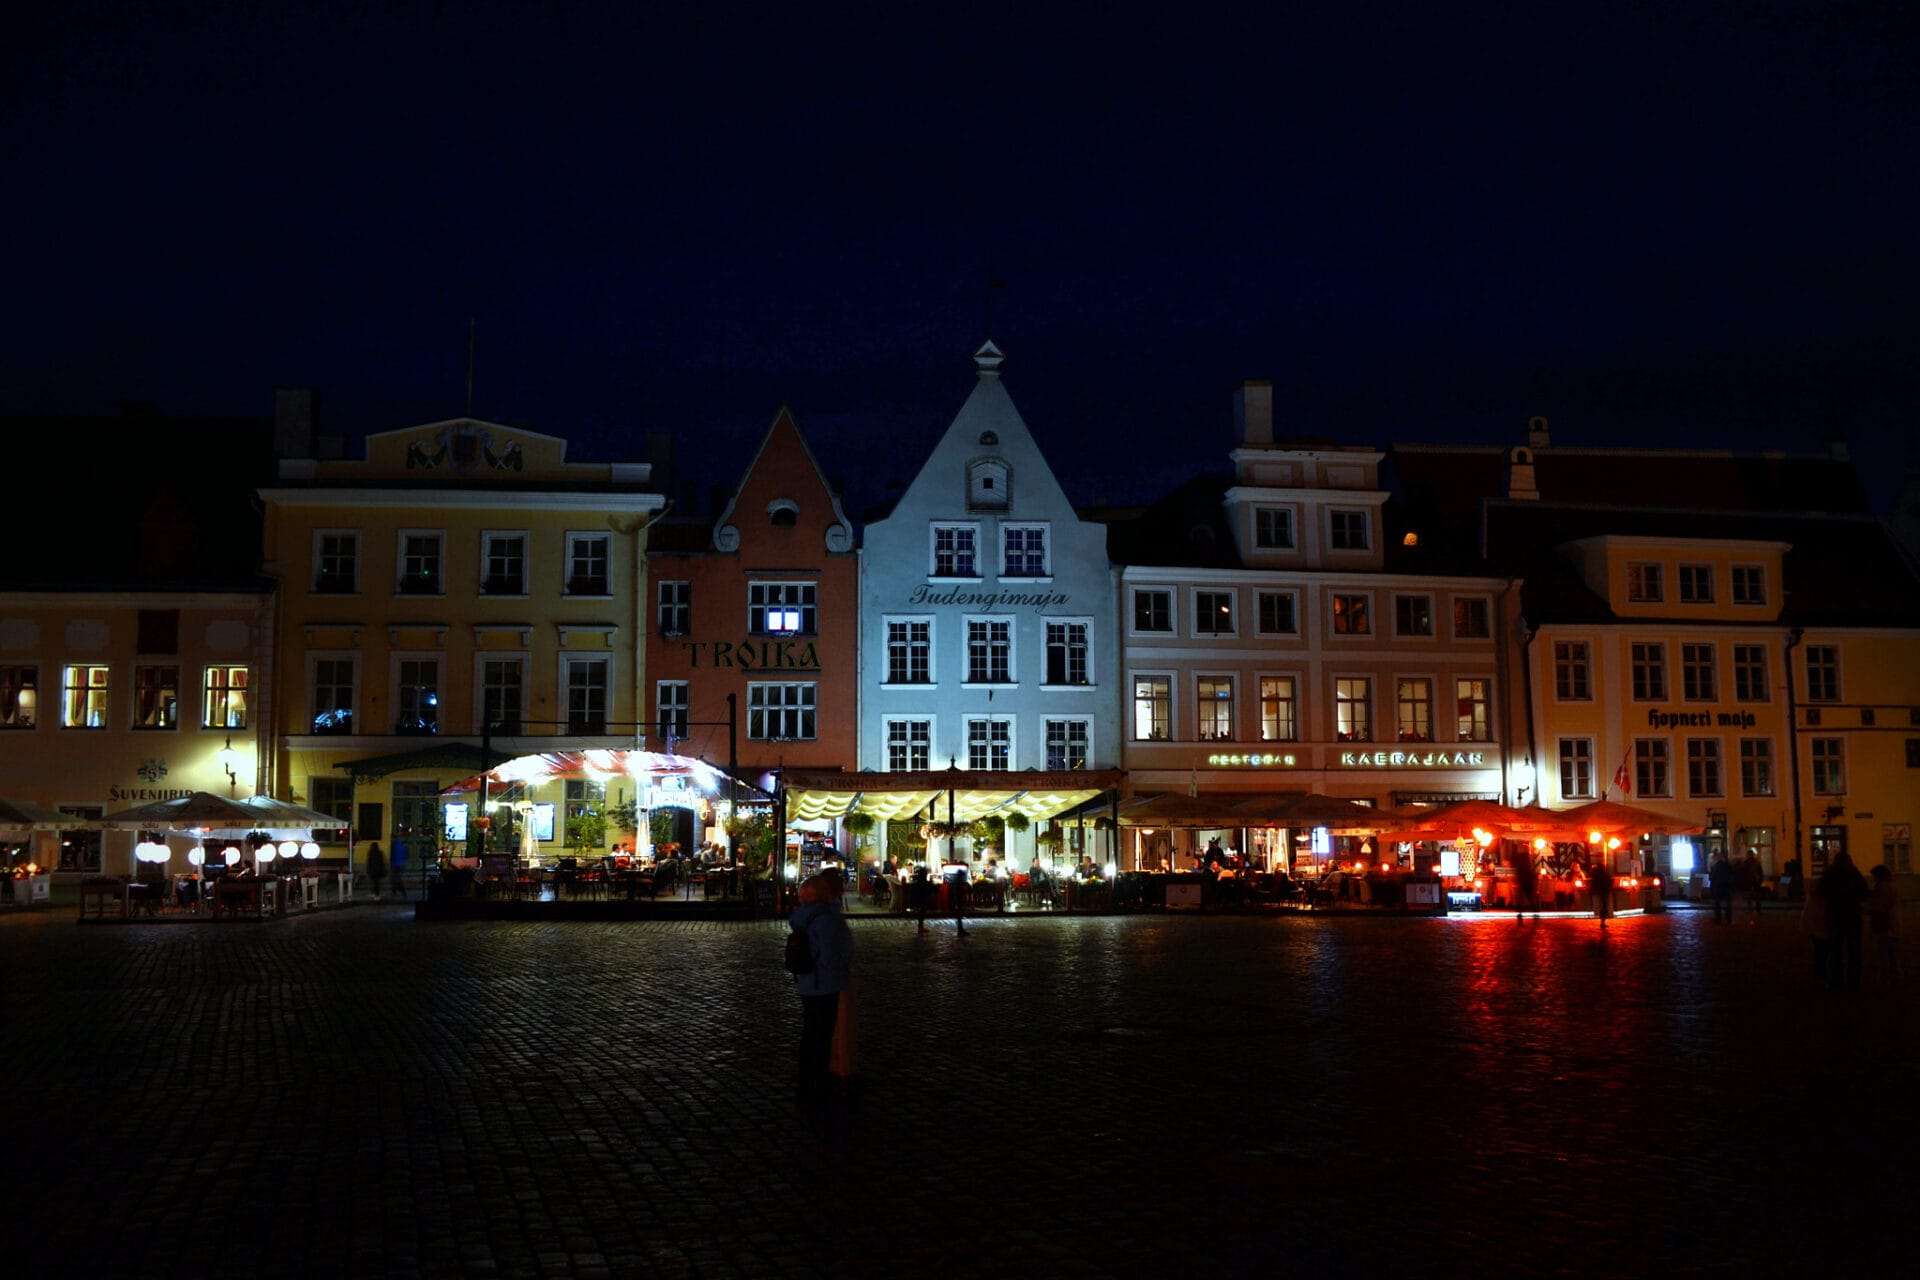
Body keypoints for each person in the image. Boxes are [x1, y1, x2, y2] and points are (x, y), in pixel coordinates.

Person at [789, 874, 853, 1103]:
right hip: (826, 982)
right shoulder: (826, 919)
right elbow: (834, 952)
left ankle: (807, 1078)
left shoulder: (802, 918)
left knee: (810, 1031)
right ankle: (817, 1081)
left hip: (807, 983)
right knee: (822, 1034)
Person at [1820, 851, 1869, 991]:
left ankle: (1836, 982)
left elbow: (1821, 893)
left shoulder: (1830, 874)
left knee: (1835, 951)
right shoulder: (1855, 874)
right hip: (1853, 917)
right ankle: (1854, 982)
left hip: (1835, 916)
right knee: (1854, 952)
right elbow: (1864, 893)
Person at [1867, 863, 1899, 987]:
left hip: (1885, 924)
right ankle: (1893, 976)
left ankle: (1887, 978)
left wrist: (1868, 909)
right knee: (1891, 953)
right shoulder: (1889, 886)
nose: (1873, 878)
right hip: (1890, 924)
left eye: (1874, 876)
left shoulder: (1883, 888)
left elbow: (1880, 907)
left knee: (1885, 953)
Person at [1801, 879, 1830, 986]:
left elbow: (1807, 916)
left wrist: (1806, 929)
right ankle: (1824, 975)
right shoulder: (1828, 900)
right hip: (1826, 930)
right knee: (1826, 954)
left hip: (1816, 931)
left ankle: (1820, 975)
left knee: (1819, 954)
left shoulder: (1812, 899)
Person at [1709, 849, 1735, 925]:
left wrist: (1712, 887)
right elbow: (1732, 875)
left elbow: (1712, 878)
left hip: (1718, 887)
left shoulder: (1716, 866)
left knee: (1717, 904)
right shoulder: (1727, 865)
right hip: (1727, 887)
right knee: (1728, 904)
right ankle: (1728, 919)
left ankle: (1718, 919)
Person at [1588, 856, 1614, 927]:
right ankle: (1602, 921)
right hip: (1604, 892)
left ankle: (1602, 920)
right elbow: (1609, 881)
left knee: (1599, 906)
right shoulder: (1604, 874)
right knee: (1603, 906)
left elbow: (1593, 883)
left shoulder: (1595, 875)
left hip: (1598, 892)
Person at [1740, 848, 1765, 919]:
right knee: (1753, 896)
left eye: (1749, 854)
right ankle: (1755, 909)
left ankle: (1752, 909)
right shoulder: (1753, 862)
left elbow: (1760, 872)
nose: (1749, 856)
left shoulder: (1747, 863)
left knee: (1752, 896)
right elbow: (1760, 872)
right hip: (1752, 881)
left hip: (1752, 881)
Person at [948, 860, 971, 936]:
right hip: (959, 900)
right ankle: (960, 930)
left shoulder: (955, 881)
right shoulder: (960, 882)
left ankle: (960, 929)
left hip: (957, 900)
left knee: (959, 915)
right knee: (959, 914)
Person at [910, 863, 933, 933]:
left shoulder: (917, 882)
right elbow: (929, 888)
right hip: (922, 898)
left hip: (918, 898)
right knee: (922, 912)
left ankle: (920, 927)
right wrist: (931, 881)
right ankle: (920, 927)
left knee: (921, 912)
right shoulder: (924, 882)